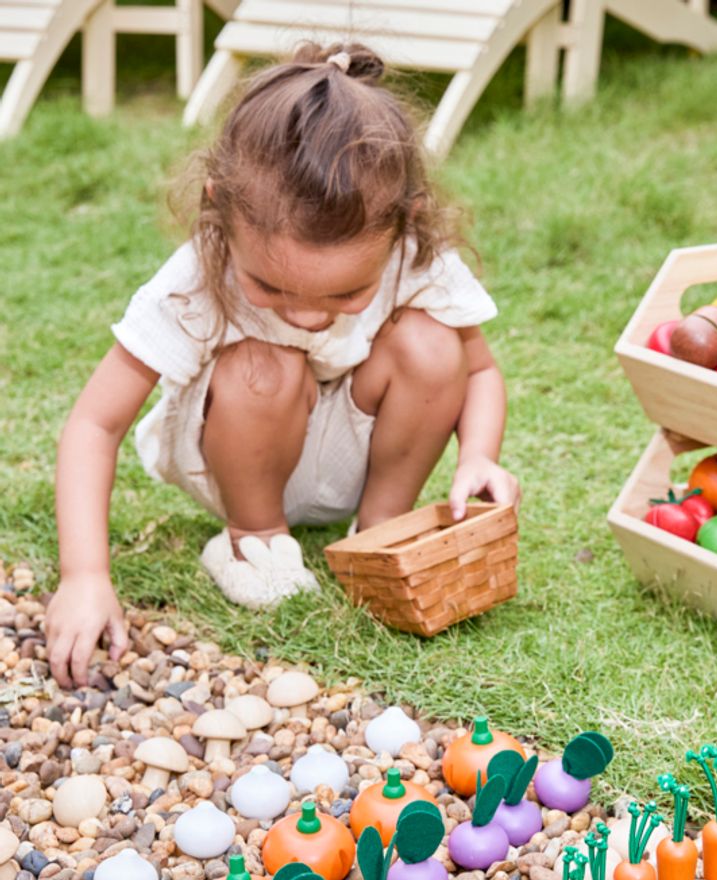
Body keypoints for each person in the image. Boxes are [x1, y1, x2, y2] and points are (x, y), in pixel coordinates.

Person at [45, 42, 518, 688]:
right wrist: (84, 576)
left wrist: (478, 457)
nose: (306, 317)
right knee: (267, 363)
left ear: (403, 227)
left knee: (435, 344)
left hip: (352, 450)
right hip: (240, 457)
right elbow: (94, 426)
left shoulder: (413, 253)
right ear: (218, 208)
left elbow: (481, 373)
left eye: (345, 295)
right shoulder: (194, 279)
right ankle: (255, 539)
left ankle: (377, 531)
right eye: (270, 288)